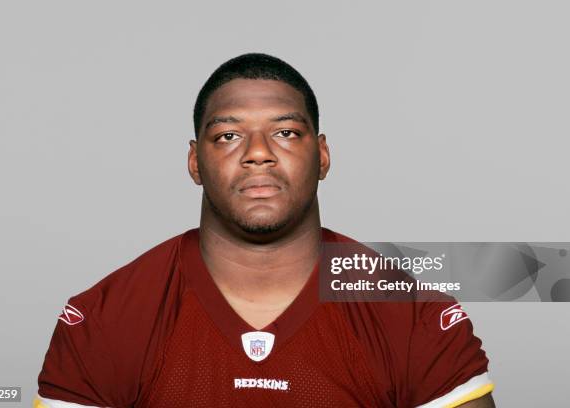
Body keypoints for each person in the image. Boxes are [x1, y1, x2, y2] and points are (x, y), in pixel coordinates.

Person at [34, 53, 495, 408]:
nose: (258, 153)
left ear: (323, 156)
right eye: (229, 136)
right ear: (195, 162)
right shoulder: (106, 317)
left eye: (286, 132)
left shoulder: (411, 317)